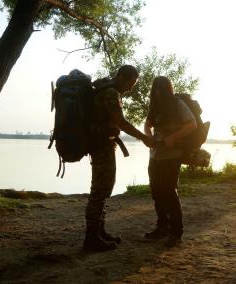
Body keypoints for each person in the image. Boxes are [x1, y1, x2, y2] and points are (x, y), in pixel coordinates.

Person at [84, 65, 153, 252]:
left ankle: (100, 232)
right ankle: (91, 239)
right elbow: (120, 121)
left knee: (105, 186)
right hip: (101, 146)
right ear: (122, 77)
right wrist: (144, 137)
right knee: (100, 189)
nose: (131, 88)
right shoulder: (111, 92)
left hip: (103, 144)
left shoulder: (107, 90)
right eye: (131, 83)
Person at [143, 76, 197, 247]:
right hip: (155, 155)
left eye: (160, 89)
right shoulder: (155, 106)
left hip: (172, 156)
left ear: (167, 89)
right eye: (155, 89)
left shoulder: (177, 104)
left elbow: (192, 124)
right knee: (156, 192)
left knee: (169, 192)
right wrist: (149, 136)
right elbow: (147, 124)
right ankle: (162, 228)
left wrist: (173, 137)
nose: (157, 93)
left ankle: (176, 233)